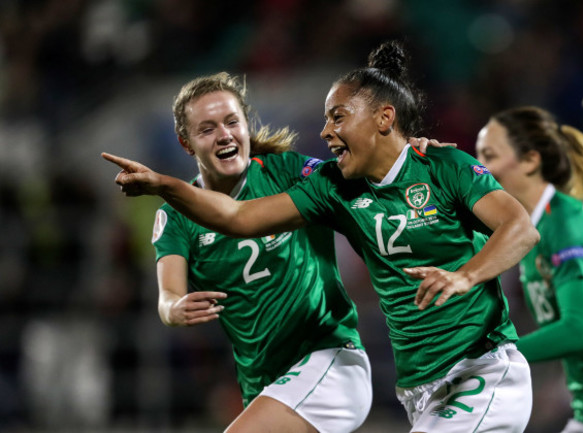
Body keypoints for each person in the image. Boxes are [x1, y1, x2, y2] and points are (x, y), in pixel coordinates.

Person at [103, 40, 540, 433]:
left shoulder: (442, 167)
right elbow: (237, 217)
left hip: (475, 369)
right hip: (415, 388)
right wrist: (166, 186)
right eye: (325, 120)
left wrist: (465, 275)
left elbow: (520, 228)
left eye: (337, 118)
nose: (326, 132)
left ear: (383, 118)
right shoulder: (335, 187)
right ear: (185, 142)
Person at [142, 71, 376, 433]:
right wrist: (175, 308)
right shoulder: (175, 217)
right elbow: (168, 297)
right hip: (264, 386)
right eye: (207, 129)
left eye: (231, 122)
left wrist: (413, 158)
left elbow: (367, 181)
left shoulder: (289, 173)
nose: (224, 134)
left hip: (329, 362)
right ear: (186, 144)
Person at [475, 89, 583, 433]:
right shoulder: (533, 227)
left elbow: (580, 330)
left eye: (490, 156)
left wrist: (495, 359)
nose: (480, 169)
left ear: (530, 161)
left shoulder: (565, 227)